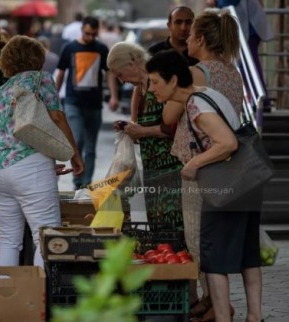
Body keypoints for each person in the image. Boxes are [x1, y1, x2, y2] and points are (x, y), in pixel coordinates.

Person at [147, 49, 263, 322]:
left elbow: (228, 143)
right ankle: (255, 317)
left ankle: (223, 317)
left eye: (154, 82)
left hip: (225, 186)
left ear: (173, 80)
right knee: (248, 255)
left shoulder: (197, 105)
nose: (151, 89)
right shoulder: (207, 93)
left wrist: (194, 163)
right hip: (247, 183)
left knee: (212, 257)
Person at [165, 10, 243, 320]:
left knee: (198, 238)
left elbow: (168, 117)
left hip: (199, 165)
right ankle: (215, 302)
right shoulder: (232, 71)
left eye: (191, 34)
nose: (186, 38)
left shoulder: (196, 73)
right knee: (215, 238)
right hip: (226, 165)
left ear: (200, 39)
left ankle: (219, 306)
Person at [0, 35, 84, 268]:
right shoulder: (40, 79)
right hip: (31, 165)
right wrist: (74, 154)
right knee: (46, 237)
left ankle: (8, 297)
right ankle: (39, 299)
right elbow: (57, 117)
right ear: (37, 57)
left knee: (8, 240)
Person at [107, 42, 184, 230]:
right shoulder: (138, 90)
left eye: (120, 74)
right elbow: (138, 127)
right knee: (158, 225)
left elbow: (176, 126)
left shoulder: (159, 81)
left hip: (173, 167)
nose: (122, 81)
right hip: (152, 169)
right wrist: (128, 128)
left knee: (174, 225)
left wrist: (143, 131)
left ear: (131, 64)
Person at [55, 16, 119, 189]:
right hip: (73, 102)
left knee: (90, 148)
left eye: (93, 34)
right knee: (78, 140)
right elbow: (60, 73)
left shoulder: (101, 49)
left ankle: (86, 184)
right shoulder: (69, 48)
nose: (90, 37)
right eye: (87, 33)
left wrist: (114, 96)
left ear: (97, 32)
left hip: (94, 104)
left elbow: (109, 73)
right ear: (82, 30)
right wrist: (53, 96)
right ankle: (77, 182)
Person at [208, 0, 273, 96]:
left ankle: (259, 98)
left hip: (250, 27)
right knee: (247, 64)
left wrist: (216, 3)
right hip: (247, 26)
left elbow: (233, 1)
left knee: (249, 65)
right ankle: (257, 98)